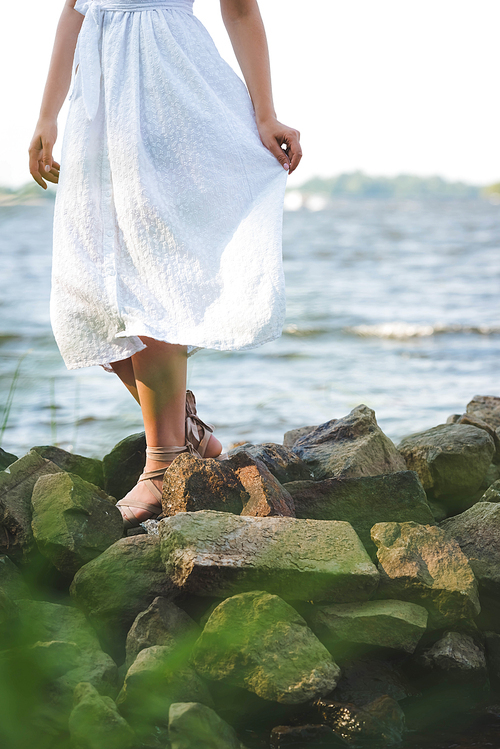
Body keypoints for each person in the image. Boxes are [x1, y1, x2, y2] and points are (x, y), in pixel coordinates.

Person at [28, 0, 302, 530]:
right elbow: (73, 11)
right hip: (97, 100)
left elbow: (241, 10)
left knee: (146, 283)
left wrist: (265, 114)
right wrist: (47, 115)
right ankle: (188, 433)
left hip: (166, 86)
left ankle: (165, 462)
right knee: (93, 295)